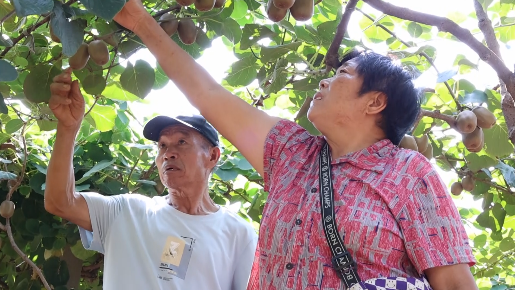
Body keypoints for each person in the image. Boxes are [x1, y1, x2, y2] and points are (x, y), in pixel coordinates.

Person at [106, 1, 478, 290]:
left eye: (342, 75)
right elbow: (208, 94)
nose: (324, 83)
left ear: (375, 102)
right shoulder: (291, 153)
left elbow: (456, 283)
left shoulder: (409, 173)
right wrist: (141, 22)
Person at [44, 69, 258, 290]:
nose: (168, 153)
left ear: (212, 156)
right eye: (162, 145)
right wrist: (68, 129)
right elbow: (59, 201)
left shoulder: (238, 233)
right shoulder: (126, 211)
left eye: (182, 142)